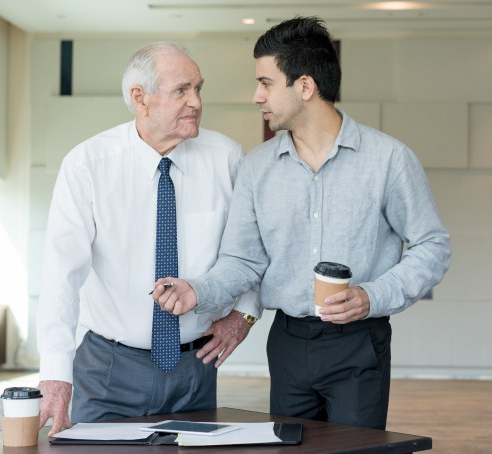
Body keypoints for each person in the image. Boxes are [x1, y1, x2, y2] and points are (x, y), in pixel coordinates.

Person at [153, 17, 451, 430]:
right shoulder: (257, 168)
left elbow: (432, 246)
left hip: (359, 341)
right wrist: (197, 289)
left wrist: (373, 296)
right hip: (288, 343)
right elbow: (242, 261)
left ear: (305, 87)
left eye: (266, 82)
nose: (257, 96)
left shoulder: (388, 160)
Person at [36, 41, 260, 436]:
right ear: (140, 98)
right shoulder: (88, 164)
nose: (196, 102)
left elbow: (251, 250)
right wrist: (56, 372)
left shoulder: (226, 158)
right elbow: (61, 274)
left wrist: (243, 315)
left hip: (196, 369)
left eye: (198, 89)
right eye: (181, 90)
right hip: (108, 370)